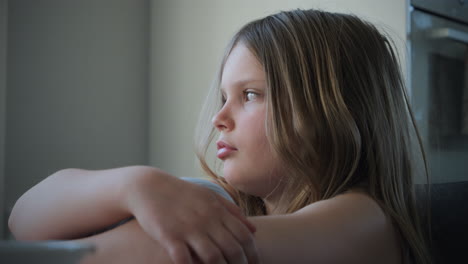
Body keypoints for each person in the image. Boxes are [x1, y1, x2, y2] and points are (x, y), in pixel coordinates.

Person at [8, 8, 432, 264]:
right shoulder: (237, 207)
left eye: (250, 95)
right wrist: (133, 184)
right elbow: (23, 220)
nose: (219, 119)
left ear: (332, 108)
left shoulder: (362, 219)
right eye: (224, 97)